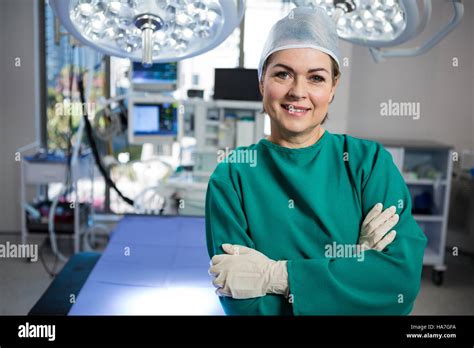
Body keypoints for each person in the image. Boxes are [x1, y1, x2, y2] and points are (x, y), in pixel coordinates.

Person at [205, 6, 427, 315]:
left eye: (316, 78)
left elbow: (398, 285)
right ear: (261, 82)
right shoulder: (232, 178)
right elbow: (244, 305)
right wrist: (353, 271)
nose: (298, 92)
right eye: (282, 74)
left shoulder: (369, 164)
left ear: (333, 87)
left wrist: (278, 277)